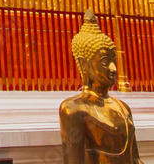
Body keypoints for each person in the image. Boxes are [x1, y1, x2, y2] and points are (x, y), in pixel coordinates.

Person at [60, 9, 142, 164]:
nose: (113, 68)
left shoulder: (123, 107)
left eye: (114, 61)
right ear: (84, 65)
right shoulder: (74, 109)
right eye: (105, 62)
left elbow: (136, 159)